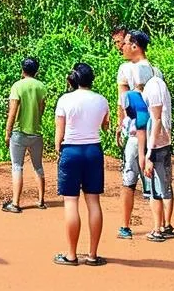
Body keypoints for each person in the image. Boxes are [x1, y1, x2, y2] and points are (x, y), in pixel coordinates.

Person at [53, 63, 109, 267]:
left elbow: (59, 132)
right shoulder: (101, 100)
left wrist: (58, 150)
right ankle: (93, 255)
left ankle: (71, 255)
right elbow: (105, 125)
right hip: (93, 150)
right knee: (93, 202)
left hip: (71, 151)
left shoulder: (65, 100)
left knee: (71, 202)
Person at [116, 30, 157, 238]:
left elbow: (136, 105)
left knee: (130, 178)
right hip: (151, 130)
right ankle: (161, 224)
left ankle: (125, 225)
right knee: (153, 180)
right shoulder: (154, 70)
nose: (122, 47)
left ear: (135, 46)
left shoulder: (137, 69)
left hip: (137, 131)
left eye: (125, 43)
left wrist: (123, 124)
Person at [3, 56, 47, 213]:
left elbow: (12, 112)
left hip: (19, 132)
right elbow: (41, 109)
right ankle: (41, 200)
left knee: (17, 166)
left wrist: (7, 133)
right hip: (36, 132)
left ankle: (15, 203)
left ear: (23, 69)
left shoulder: (17, 86)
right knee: (38, 166)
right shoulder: (41, 86)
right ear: (37, 71)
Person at [140, 60, 174, 242]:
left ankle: (157, 229)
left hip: (157, 144)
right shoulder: (162, 86)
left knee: (155, 189)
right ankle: (166, 225)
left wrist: (149, 153)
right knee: (166, 186)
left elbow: (157, 120)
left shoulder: (151, 88)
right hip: (166, 142)